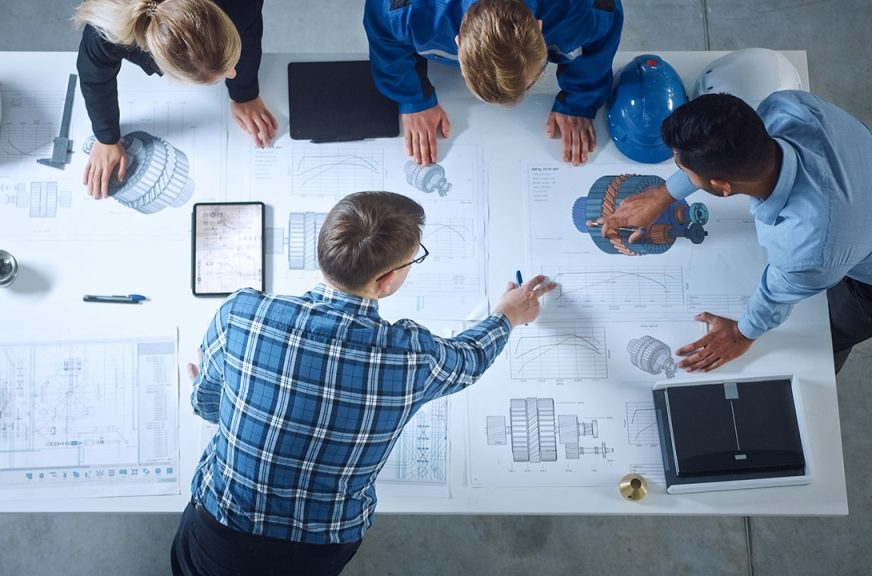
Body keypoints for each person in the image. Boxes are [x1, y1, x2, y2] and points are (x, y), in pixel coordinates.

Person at [172, 191, 555, 575]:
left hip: (219, 531)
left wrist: (233, 403)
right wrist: (507, 315)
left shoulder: (241, 314)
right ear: (386, 280)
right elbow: (470, 359)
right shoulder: (412, 355)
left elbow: (205, 403)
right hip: (318, 549)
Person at [600, 91, 872, 373]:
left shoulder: (809, 248)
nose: (681, 171)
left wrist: (741, 334)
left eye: (685, 170)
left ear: (722, 186)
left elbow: (778, 294)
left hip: (863, 277)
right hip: (856, 197)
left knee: (825, 335)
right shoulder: (789, 107)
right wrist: (662, 195)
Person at [363, 0, 623, 167]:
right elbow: (384, 36)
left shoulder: (588, 9)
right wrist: (413, 98)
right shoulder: (403, 8)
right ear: (459, 41)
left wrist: (579, 101)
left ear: (539, 27)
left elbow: (601, 37)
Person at [74, 0, 277, 199]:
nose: (233, 73)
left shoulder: (242, 4)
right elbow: (95, 78)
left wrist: (244, 93)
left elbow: (249, 32)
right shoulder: (105, 32)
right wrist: (106, 138)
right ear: (163, 65)